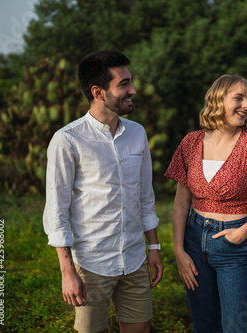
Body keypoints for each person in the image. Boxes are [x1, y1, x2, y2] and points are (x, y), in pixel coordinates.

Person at [43, 50, 163, 333]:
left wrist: (154, 248)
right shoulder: (67, 140)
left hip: (134, 258)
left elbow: (145, 197)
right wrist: (67, 271)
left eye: (130, 81)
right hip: (90, 263)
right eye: (123, 84)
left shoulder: (137, 133)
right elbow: (56, 209)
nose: (132, 90)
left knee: (140, 328)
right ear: (98, 92)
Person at [164, 74, 247, 333]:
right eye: (239, 98)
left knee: (236, 328)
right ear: (218, 100)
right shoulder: (191, 142)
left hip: (235, 248)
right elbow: (181, 203)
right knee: (204, 326)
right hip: (193, 242)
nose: (246, 106)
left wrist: (242, 233)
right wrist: (179, 251)